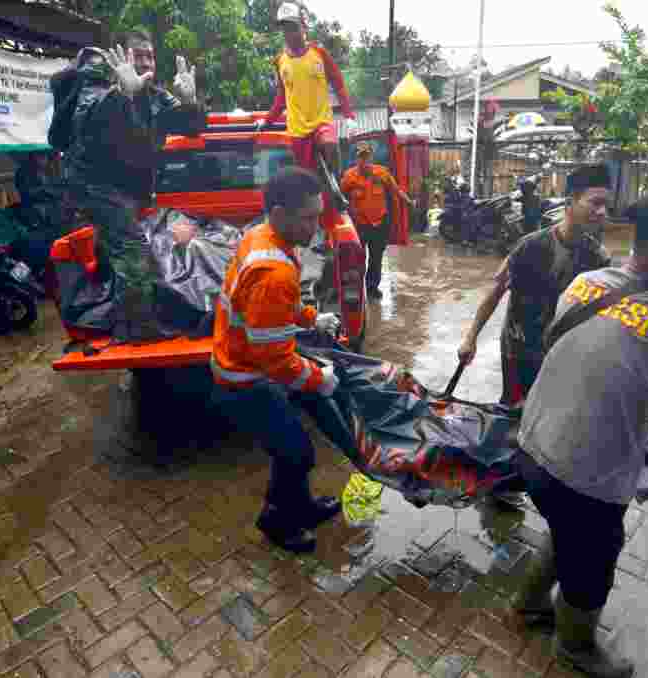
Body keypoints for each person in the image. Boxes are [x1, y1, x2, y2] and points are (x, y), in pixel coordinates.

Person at [510, 184, 648, 678]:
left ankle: (528, 601)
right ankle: (575, 647)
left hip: (531, 446)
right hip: (585, 474)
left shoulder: (586, 281)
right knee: (594, 558)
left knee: (568, 529)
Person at [209, 167, 346, 554]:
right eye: (307, 217)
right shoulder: (273, 271)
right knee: (296, 451)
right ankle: (277, 521)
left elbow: (276, 310)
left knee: (292, 446)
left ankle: (300, 506)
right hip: (242, 378)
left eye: (317, 215)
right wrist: (320, 380)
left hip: (239, 360)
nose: (315, 226)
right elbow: (275, 361)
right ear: (280, 213)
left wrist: (309, 318)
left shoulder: (262, 237)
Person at [458, 164, 613, 410]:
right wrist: (470, 339)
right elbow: (495, 293)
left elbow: (595, 316)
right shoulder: (528, 247)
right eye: (595, 203)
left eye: (606, 204)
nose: (603, 211)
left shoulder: (599, 258)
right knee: (513, 412)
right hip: (517, 351)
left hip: (561, 354)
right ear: (570, 201)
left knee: (549, 413)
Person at [63, 28, 202, 296]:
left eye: (150, 56)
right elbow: (92, 124)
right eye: (138, 56)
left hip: (132, 190)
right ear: (121, 59)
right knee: (136, 254)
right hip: (98, 188)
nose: (146, 63)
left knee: (113, 251)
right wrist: (122, 95)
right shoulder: (96, 92)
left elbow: (191, 128)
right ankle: (140, 330)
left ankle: (103, 308)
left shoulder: (157, 97)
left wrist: (190, 101)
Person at [258, 1, 355, 176]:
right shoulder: (280, 61)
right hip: (297, 131)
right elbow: (281, 100)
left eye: (293, 27)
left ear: (304, 27)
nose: (289, 33)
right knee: (309, 180)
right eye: (285, 29)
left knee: (329, 144)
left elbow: (339, 84)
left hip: (321, 123)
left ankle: (338, 179)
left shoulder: (319, 53)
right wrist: (266, 122)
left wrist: (349, 116)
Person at [340, 141, 414, 299]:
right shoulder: (349, 177)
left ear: (371, 157)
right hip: (359, 226)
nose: (364, 161)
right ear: (356, 159)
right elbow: (340, 198)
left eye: (367, 157)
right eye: (361, 157)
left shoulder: (382, 173)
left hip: (380, 224)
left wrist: (408, 202)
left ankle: (372, 288)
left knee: (376, 258)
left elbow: (396, 190)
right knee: (358, 259)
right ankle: (357, 289)